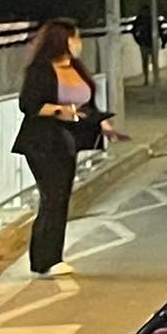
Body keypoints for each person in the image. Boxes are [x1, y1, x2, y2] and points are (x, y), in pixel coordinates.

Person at [14, 18, 119, 277]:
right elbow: (29, 104)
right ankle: (45, 259)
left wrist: (100, 122)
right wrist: (60, 110)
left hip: (66, 142)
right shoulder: (41, 69)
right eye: (76, 37)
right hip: (42, 141)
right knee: (53, 197)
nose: (79, 43)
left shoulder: (76, 68)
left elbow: (86, 104)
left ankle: (49, 258)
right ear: (64, 40)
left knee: (60, 197)